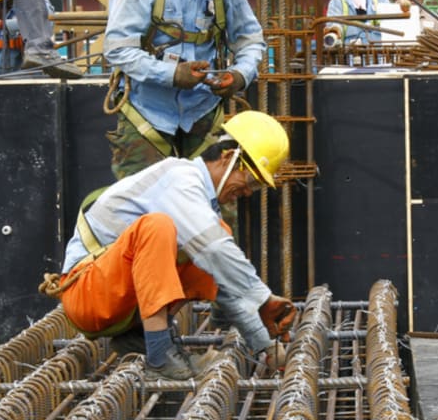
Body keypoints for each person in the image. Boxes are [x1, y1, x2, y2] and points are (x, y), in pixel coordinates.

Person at [54, 110, 296, 381]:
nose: (248, 191)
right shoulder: (180, 178)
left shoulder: (199, 208)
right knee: (158, 228)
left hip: (117, 300)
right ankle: (159, 357)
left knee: (211, 241)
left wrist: (265, 346)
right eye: (251, 181)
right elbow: (216, 250)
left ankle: (140, 339)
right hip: (85, 294)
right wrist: (264, 298)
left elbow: (225, 280)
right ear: (229, 158)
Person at [103, 0, 265, 182]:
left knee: (214, 207)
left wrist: (240, 75)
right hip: (147, 115)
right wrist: (172, 75)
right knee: (141, 212)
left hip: (202, 114)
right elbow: (118, 50)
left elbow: (250, 40)